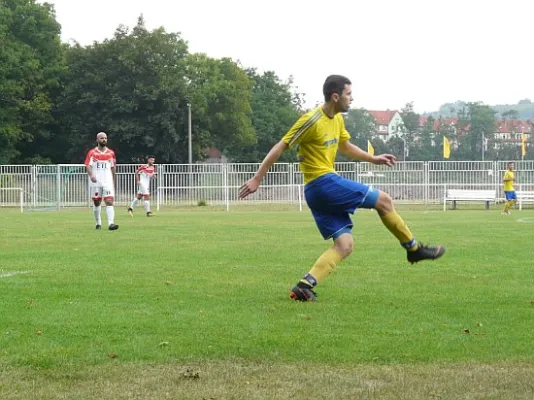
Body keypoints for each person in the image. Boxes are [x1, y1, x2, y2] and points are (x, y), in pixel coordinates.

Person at [238, 75, 445, 302]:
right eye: (348, 94)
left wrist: (373, 158)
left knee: (344, 245)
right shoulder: (311, 120)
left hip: (317, 191)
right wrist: (258, 178)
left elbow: (345, 145)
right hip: (322, 183)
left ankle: (304, 286)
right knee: (384, 201)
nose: (352, 98)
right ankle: (414, 249)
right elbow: (281, 145)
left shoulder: (336, 119)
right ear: (335, 96)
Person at [84, 132, 119, 230]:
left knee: (109, 201)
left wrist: (113, 180)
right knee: (96, 202)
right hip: (96, 181)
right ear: (97, 140)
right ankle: (98, 223)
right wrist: (91, 175)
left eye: (105, 138)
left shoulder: (111, 153)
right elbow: (88, 165)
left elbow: (113, 167)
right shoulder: (92, 152)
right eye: (102, 138)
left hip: (107, 181)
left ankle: (111, 224)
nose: (104, 140)